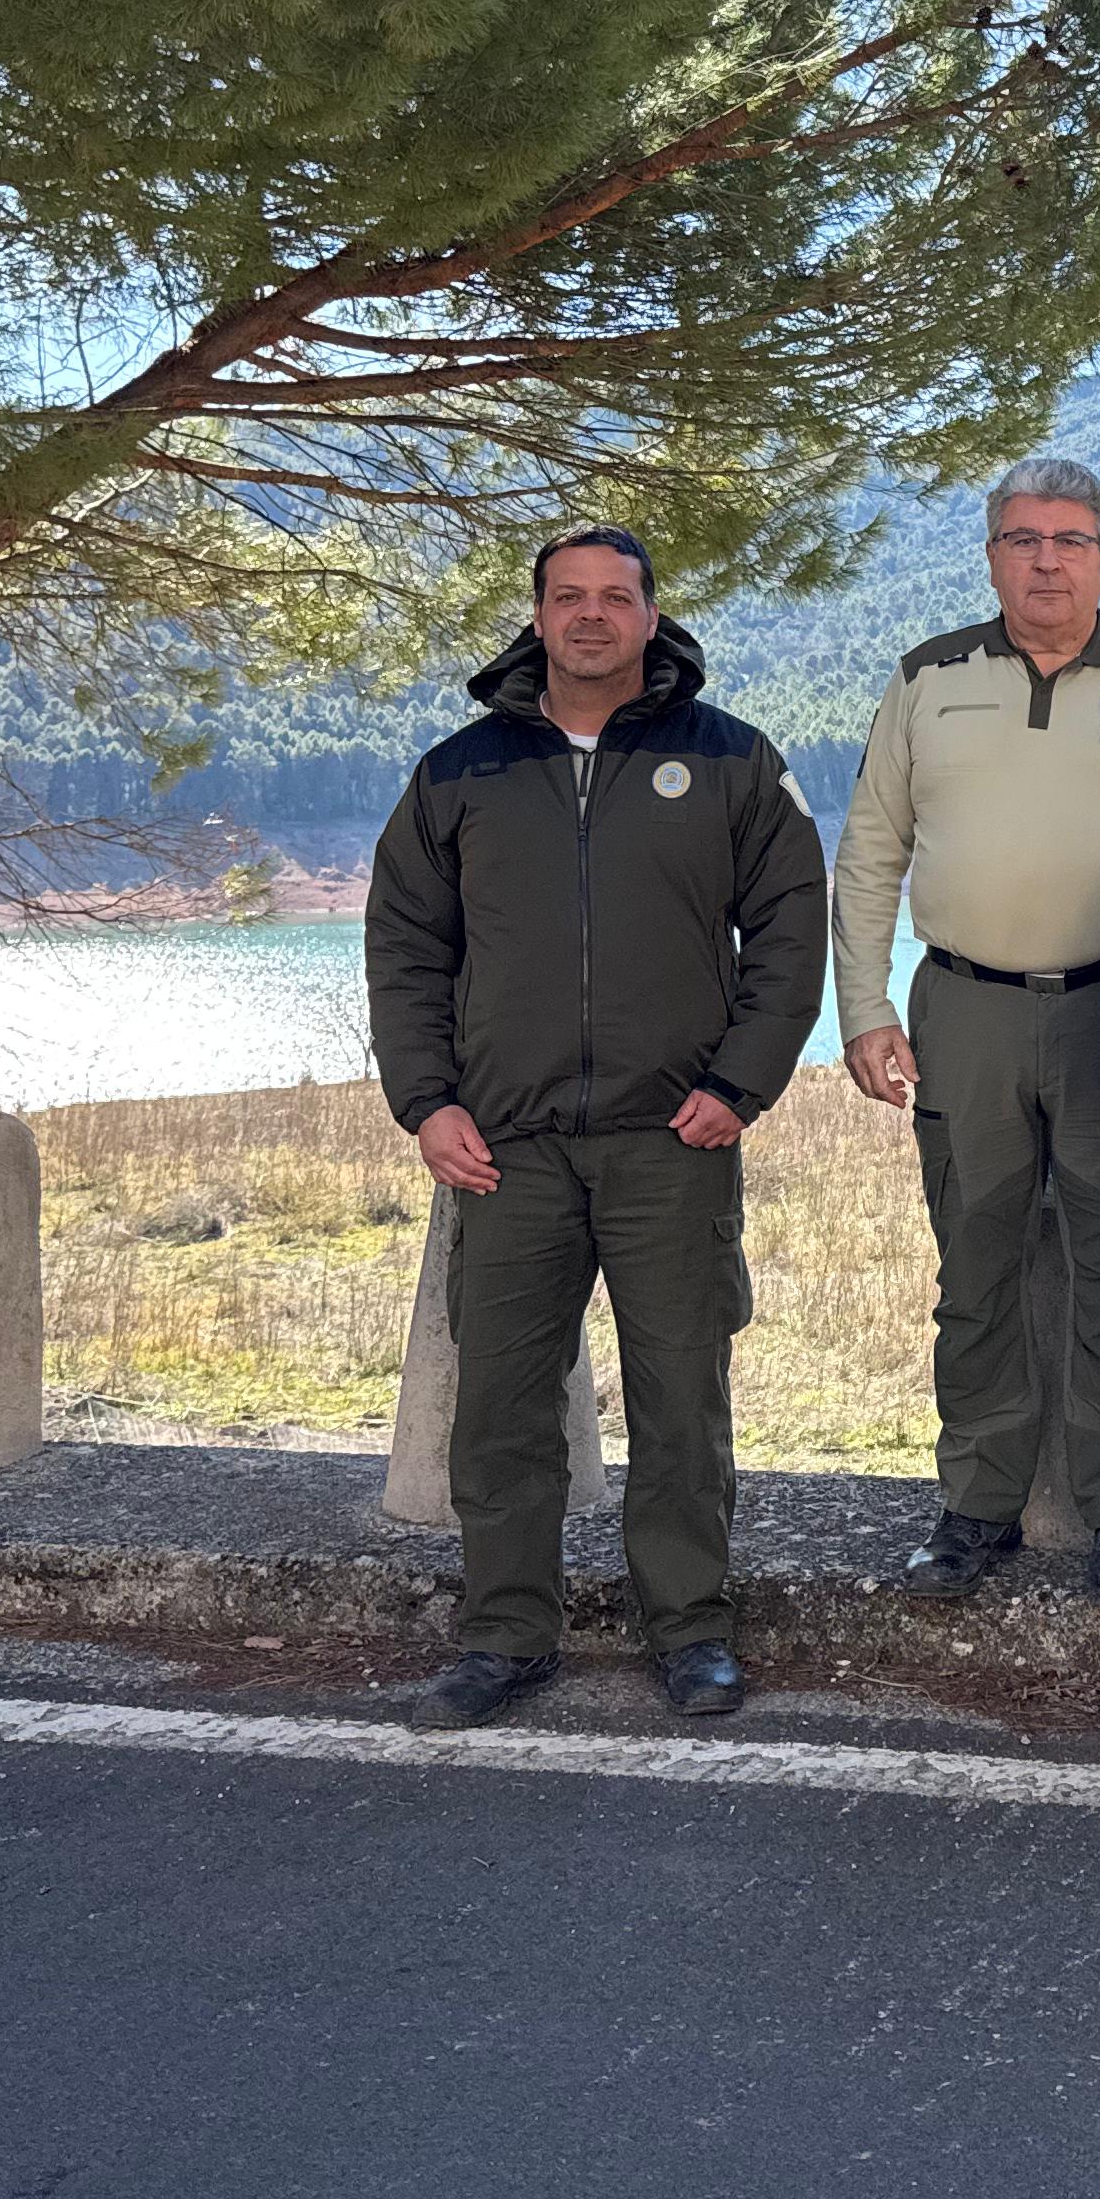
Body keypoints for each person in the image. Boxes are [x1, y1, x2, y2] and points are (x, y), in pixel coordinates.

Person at [366, 527, 826, 1729]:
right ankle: (506, 1636)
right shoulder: (460, 773)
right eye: (567, 597)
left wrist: (742, 1082)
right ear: (535, 616)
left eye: (613, 597)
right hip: (503, 1147)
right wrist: (428, 1102)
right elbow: (407, 950)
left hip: (672, 1143)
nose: (589, 616)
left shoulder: (730, 762)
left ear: (649, 614)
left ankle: (692, 1630)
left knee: (682, 1394)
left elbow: (789, 930)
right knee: (502, 1402)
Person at [830, 457, 1100, 1607]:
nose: (1046, 559)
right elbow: (867, 858)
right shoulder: (927, 680)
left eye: (1069, 539)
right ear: (992, 553)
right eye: (1022, 538)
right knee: (977, 1264)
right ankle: (975, 1506)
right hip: (964, 1007)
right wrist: (861, 1008)